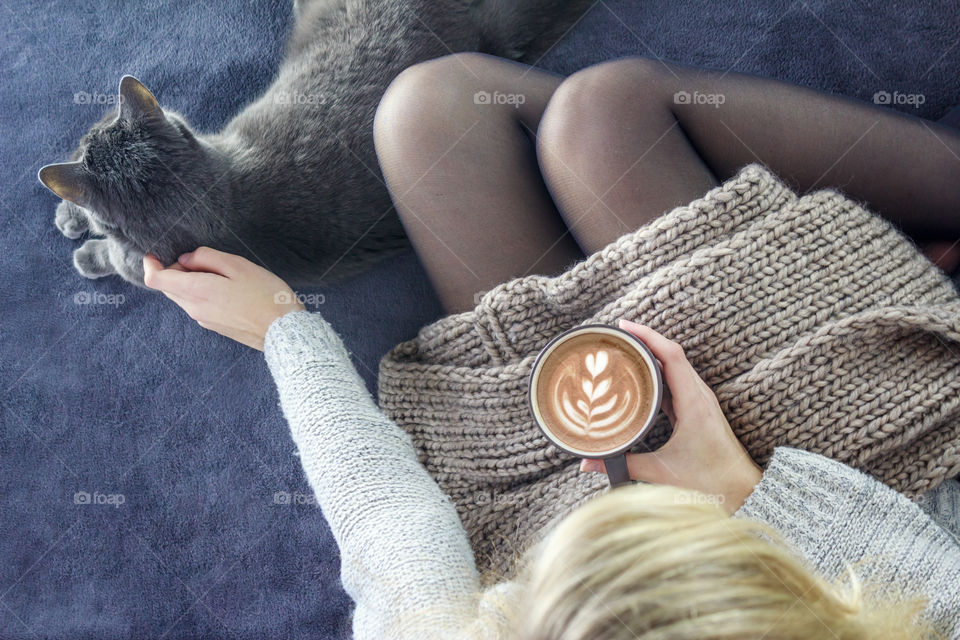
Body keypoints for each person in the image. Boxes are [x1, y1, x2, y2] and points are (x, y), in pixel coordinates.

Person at [141, 53, 960, 639]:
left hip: (548, 486)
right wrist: (737, 488)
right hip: (854, 506)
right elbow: (933, 597)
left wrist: (283, 328)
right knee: (604, 116)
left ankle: (829, 245)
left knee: (434, 107)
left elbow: (397, 536)